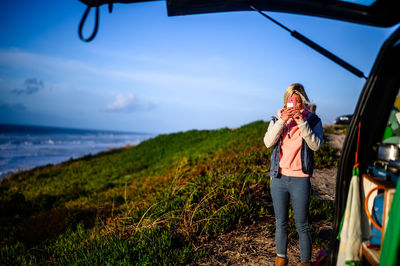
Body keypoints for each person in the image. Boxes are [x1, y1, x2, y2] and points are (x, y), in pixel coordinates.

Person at [263, 83, 323, 266]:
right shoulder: (277, 118)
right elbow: (268, 142)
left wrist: (301, 122)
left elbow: (316, 145)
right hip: (278, 178)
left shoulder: (312, 120)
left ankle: (305, 263)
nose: (294, 104)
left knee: (302, 226)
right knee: (280, 223)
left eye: (298, 101)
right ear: (286, 100)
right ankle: (281, 260)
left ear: (303, 101)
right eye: (291, 100)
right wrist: (282, 121)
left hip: (300, 179)